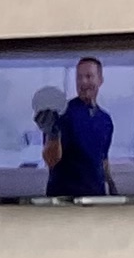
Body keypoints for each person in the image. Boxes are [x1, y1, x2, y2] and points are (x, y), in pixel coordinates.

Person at [40, 54, 115, 198]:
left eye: (88, 76)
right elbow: (51, 160)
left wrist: (112, 186)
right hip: (65, 202)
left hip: (96, 199)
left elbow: (103, 159)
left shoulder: (106, 120)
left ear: (100, 80)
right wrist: (53, 132)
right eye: (79, 78)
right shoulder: (61, 113)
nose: (83, 82)